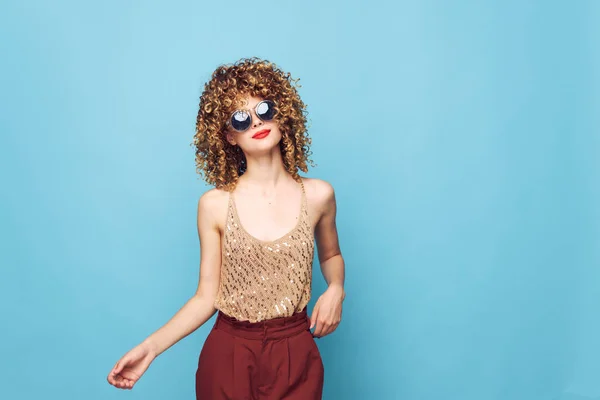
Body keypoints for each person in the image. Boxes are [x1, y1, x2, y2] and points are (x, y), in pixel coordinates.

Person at [106, 56, 346, 399]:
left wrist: (336, 287)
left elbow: (332, 254)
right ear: (229, 137)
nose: (256, 122)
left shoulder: (319, 195)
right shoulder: (215, 205)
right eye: (240, 118)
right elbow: (206, 297)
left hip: (296, 351)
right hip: (230, 353)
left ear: (282, 112)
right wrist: (151, 348)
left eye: (264, 109)